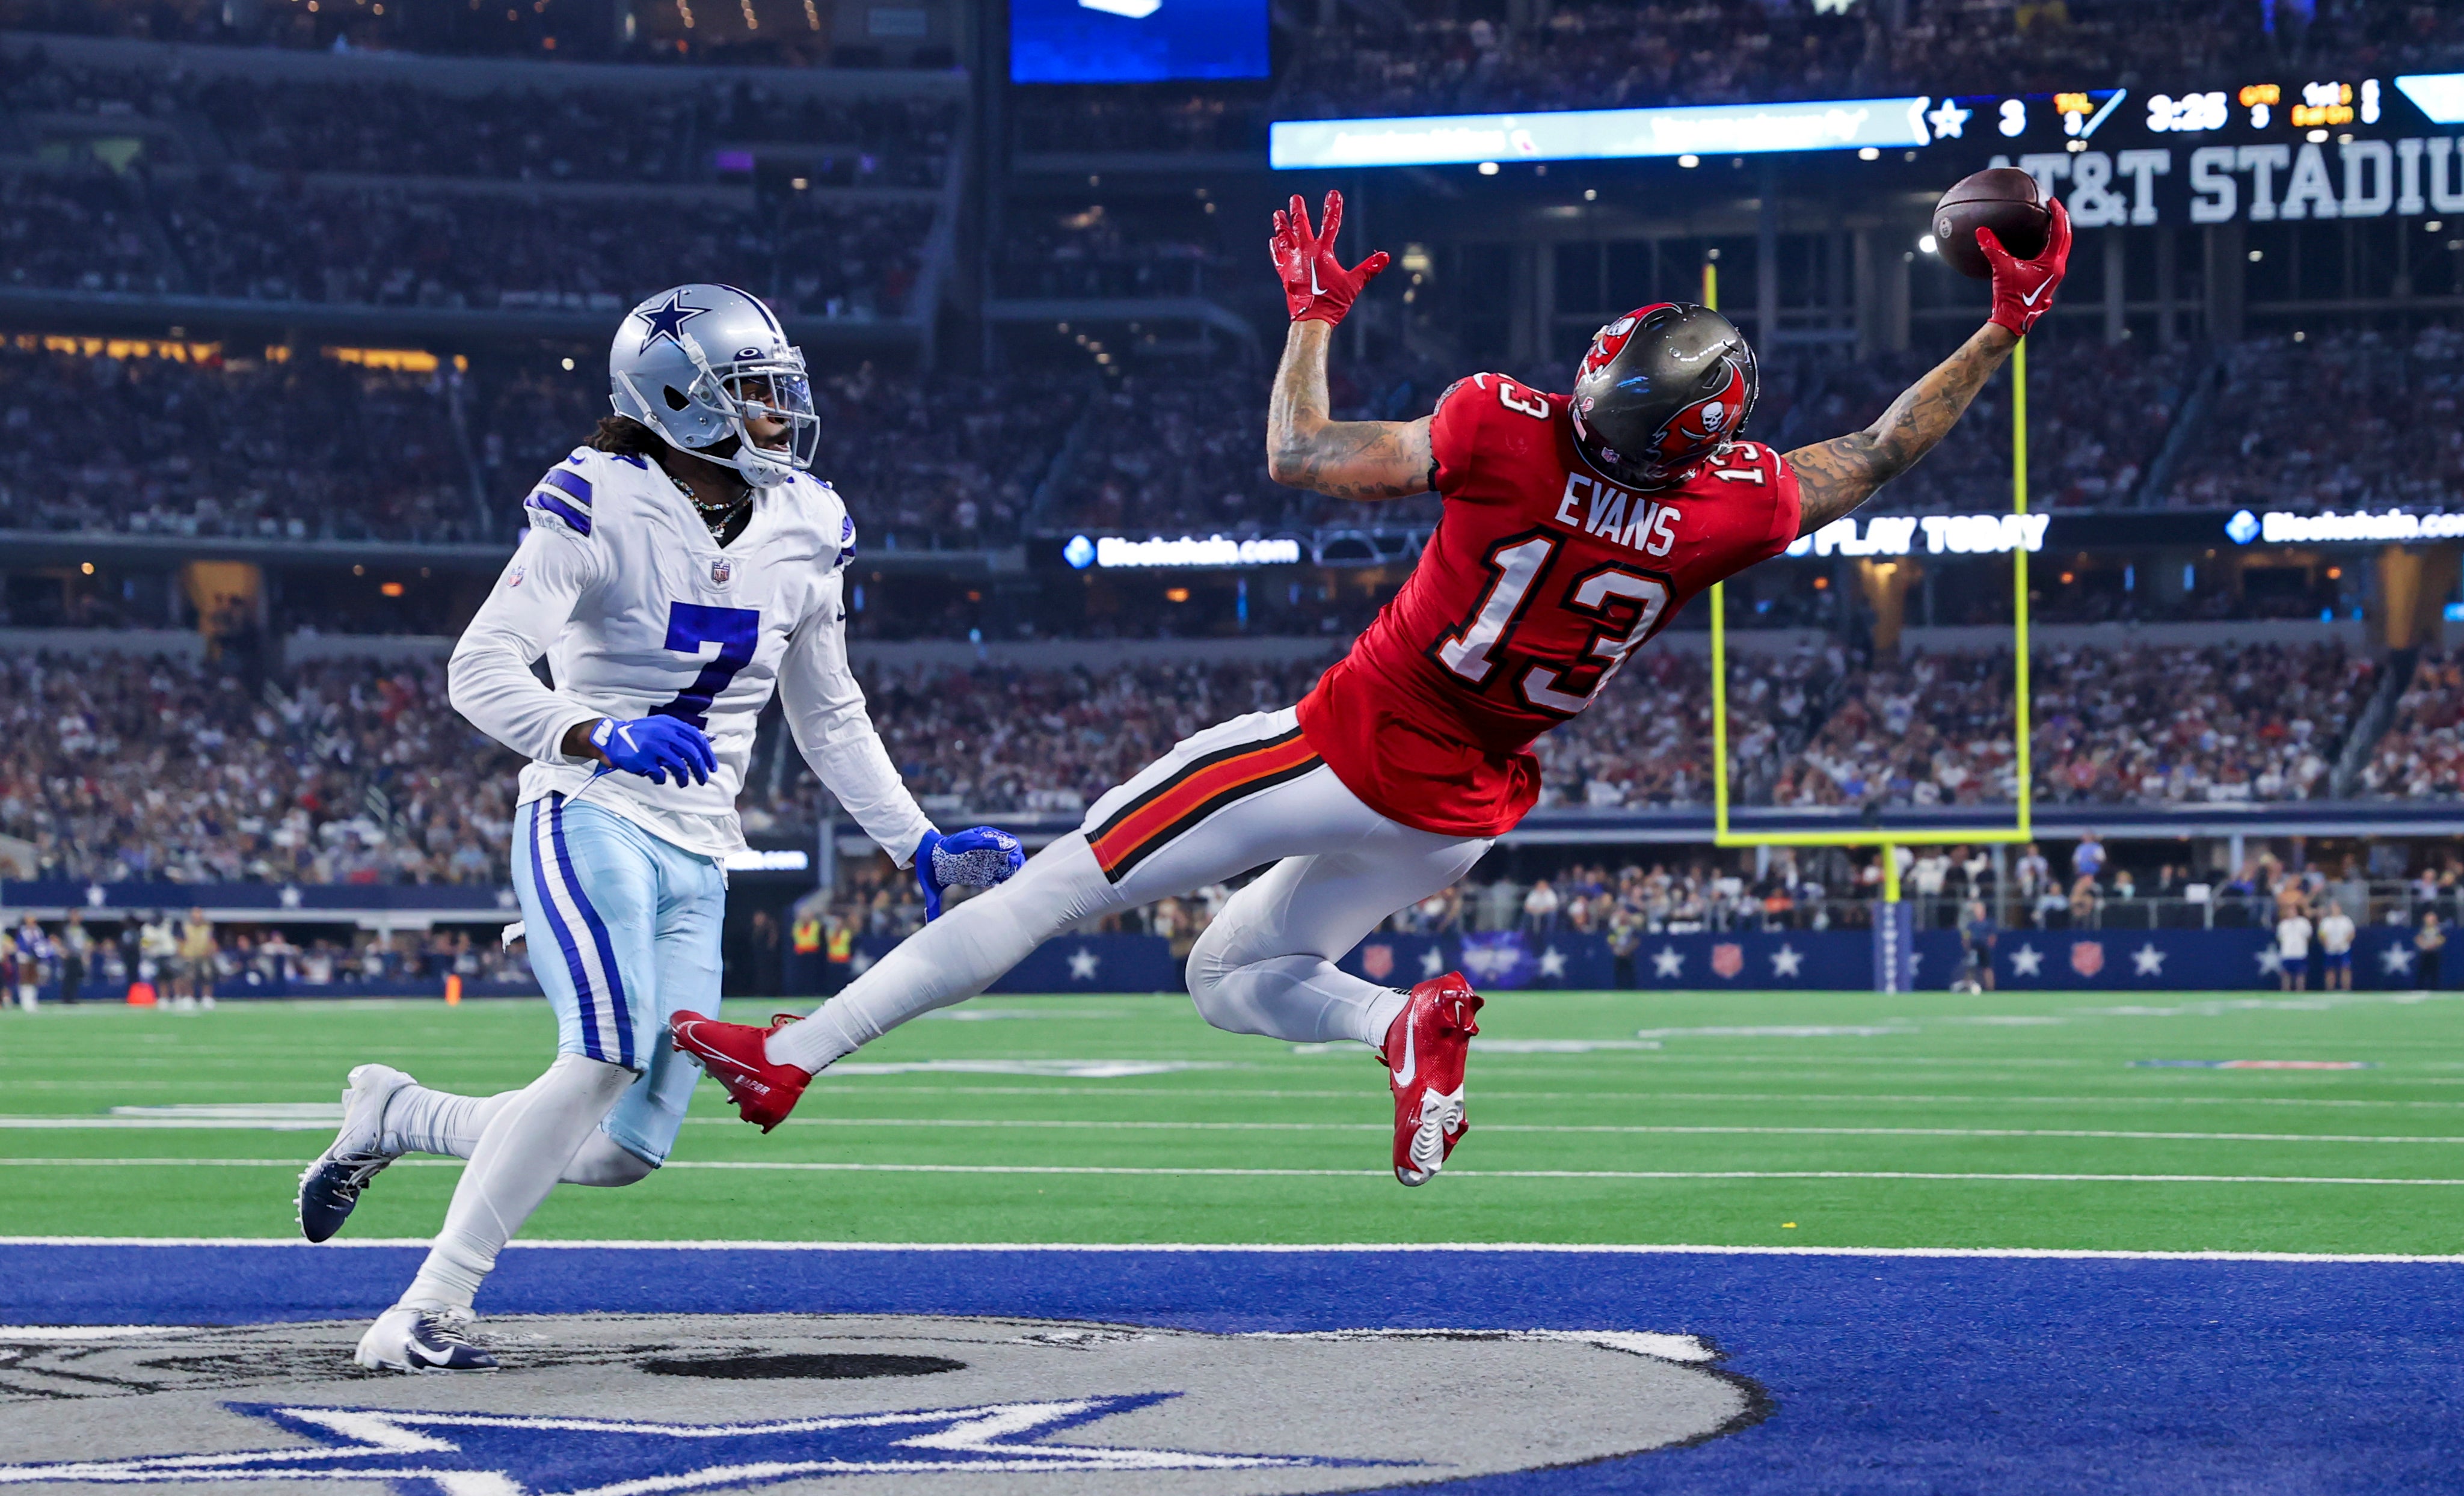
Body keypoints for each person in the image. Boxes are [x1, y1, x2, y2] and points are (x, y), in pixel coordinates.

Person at [671, 187, 2076, 1189]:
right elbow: (1881, 447)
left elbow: (1297, 452)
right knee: (1230, 976)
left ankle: (796, 1051)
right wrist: (2004, 327)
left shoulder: (1503, 431)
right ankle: (1396, 1024)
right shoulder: (1733, 509)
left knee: (1048, 885)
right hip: (1460, 810)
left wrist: (1310, 317)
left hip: (1340, 744)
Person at [292, 285, 1025, 1375]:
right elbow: (478, 669)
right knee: (601, 1050)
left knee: (624, 1147)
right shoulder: (598, 496)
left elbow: (825, 708)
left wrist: (910, 838)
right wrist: (592, 731)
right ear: (679, 401)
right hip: (587, 812)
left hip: (701, 843)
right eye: (753, 395)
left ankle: (399, 1114)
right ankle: (425, 1309)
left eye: (780, 394)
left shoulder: (809, 522)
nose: (780, 416)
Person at [2316, 897, 2355, 992]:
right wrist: (2326, 944)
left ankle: (2346, 989)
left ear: (2339, 908)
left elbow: (2351, 934)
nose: (2334, 910)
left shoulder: (2346, 920)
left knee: (2345, 969)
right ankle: (2330, 989)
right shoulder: (2326, 922)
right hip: (2330, 949)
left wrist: (2344, 942)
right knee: (2330, 970)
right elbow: (2321, 935)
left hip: (2343, 949)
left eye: (2336, 907)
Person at [2276, 903, 2313, 992]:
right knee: (2286, 974)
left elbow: (2308, 936)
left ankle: (2300, 990)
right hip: (2287, 953)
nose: (2291, 912)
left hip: (2300, 953)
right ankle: (2286, 990)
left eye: (2293, 910)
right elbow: (2280, 938)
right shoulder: (2283, 924)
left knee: (2300, 974)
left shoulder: (2303, 923)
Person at [59, 909, 88, 1005]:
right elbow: (62, 942)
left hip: (78, 956)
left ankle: (73, 997)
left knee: (76, 977)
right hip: (69, 956)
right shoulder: (66, 929)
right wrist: (63, 951)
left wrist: (84, 954)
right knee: (68, 977)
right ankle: (66, 998)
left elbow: (83, 943)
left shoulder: (81, 930)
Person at [2416, 911, 2445, 991]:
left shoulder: (2437, 929)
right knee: (2422, 972)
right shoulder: (2424, 929)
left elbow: (2441, 940)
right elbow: (2418, 939)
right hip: (2425, 953)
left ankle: (2435, 989)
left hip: (2434, 953)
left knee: (2434, 973)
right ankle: (2420, 988)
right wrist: (2424, 946)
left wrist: (2434, 945)